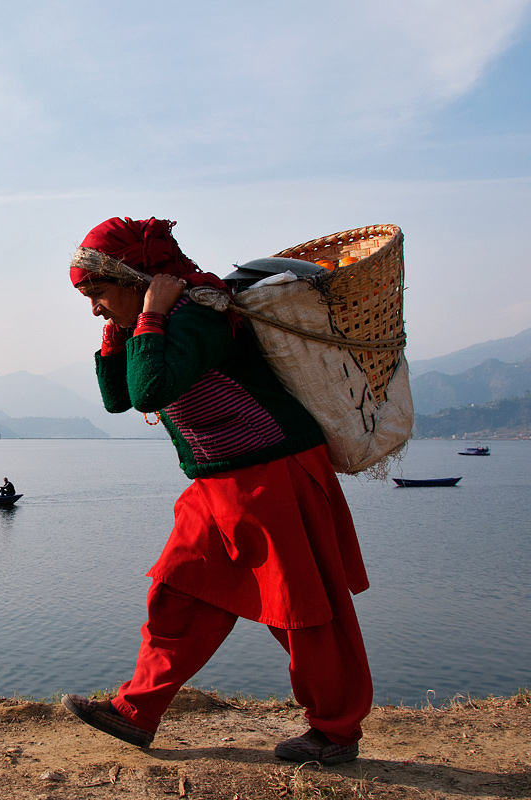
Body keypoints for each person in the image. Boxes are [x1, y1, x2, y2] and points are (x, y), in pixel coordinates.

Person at [60, 216, 372, 767]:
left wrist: (151, 313)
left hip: (272, 473)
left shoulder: (202, 313)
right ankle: (136, 711)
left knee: (302, 611)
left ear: (141, 279)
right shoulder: (152, 323)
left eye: (99, 293)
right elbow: (116, 397)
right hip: (216, 483)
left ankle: (336, 730)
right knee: (178, 591)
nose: (93, 306)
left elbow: (147, 390)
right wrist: (119, 325)